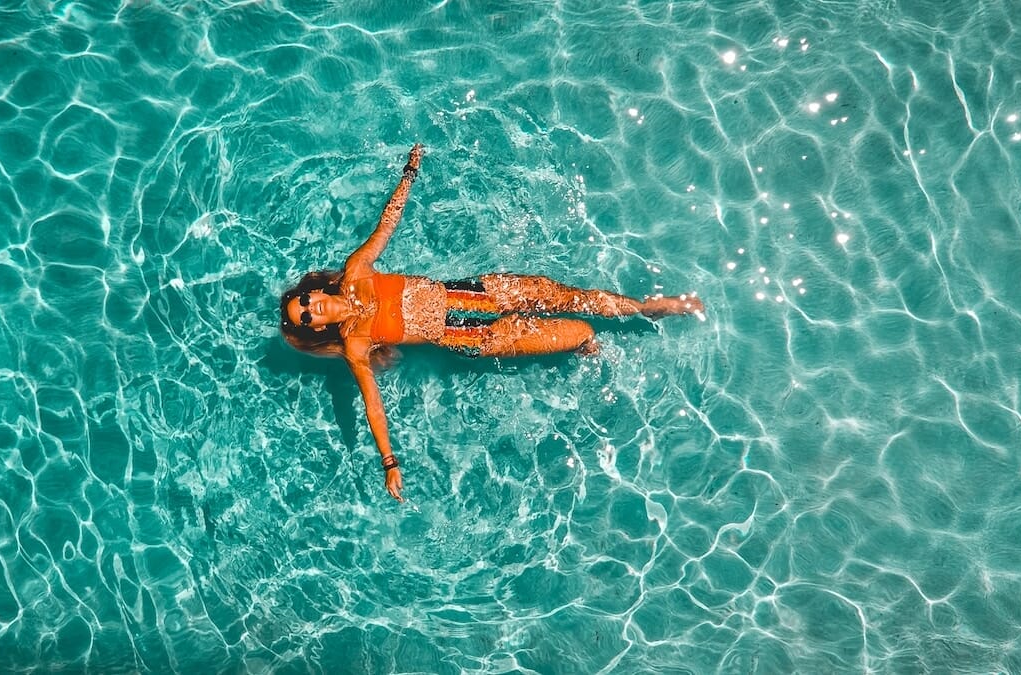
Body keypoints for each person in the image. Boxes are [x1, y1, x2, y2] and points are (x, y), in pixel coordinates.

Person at [280, 144, 704, 501]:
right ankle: (584, 342)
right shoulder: (356, 344)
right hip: (474, 335)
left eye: (305, 302)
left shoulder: (356, 271)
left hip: (478, 292)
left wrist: (408, 174)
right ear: (315, 328)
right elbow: (373, 404)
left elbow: (385, 226)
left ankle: (645, 308)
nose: (310, 309)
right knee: (581, 332)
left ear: (314, 291)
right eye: (305, 318)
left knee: (569, 297)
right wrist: (389, 461)